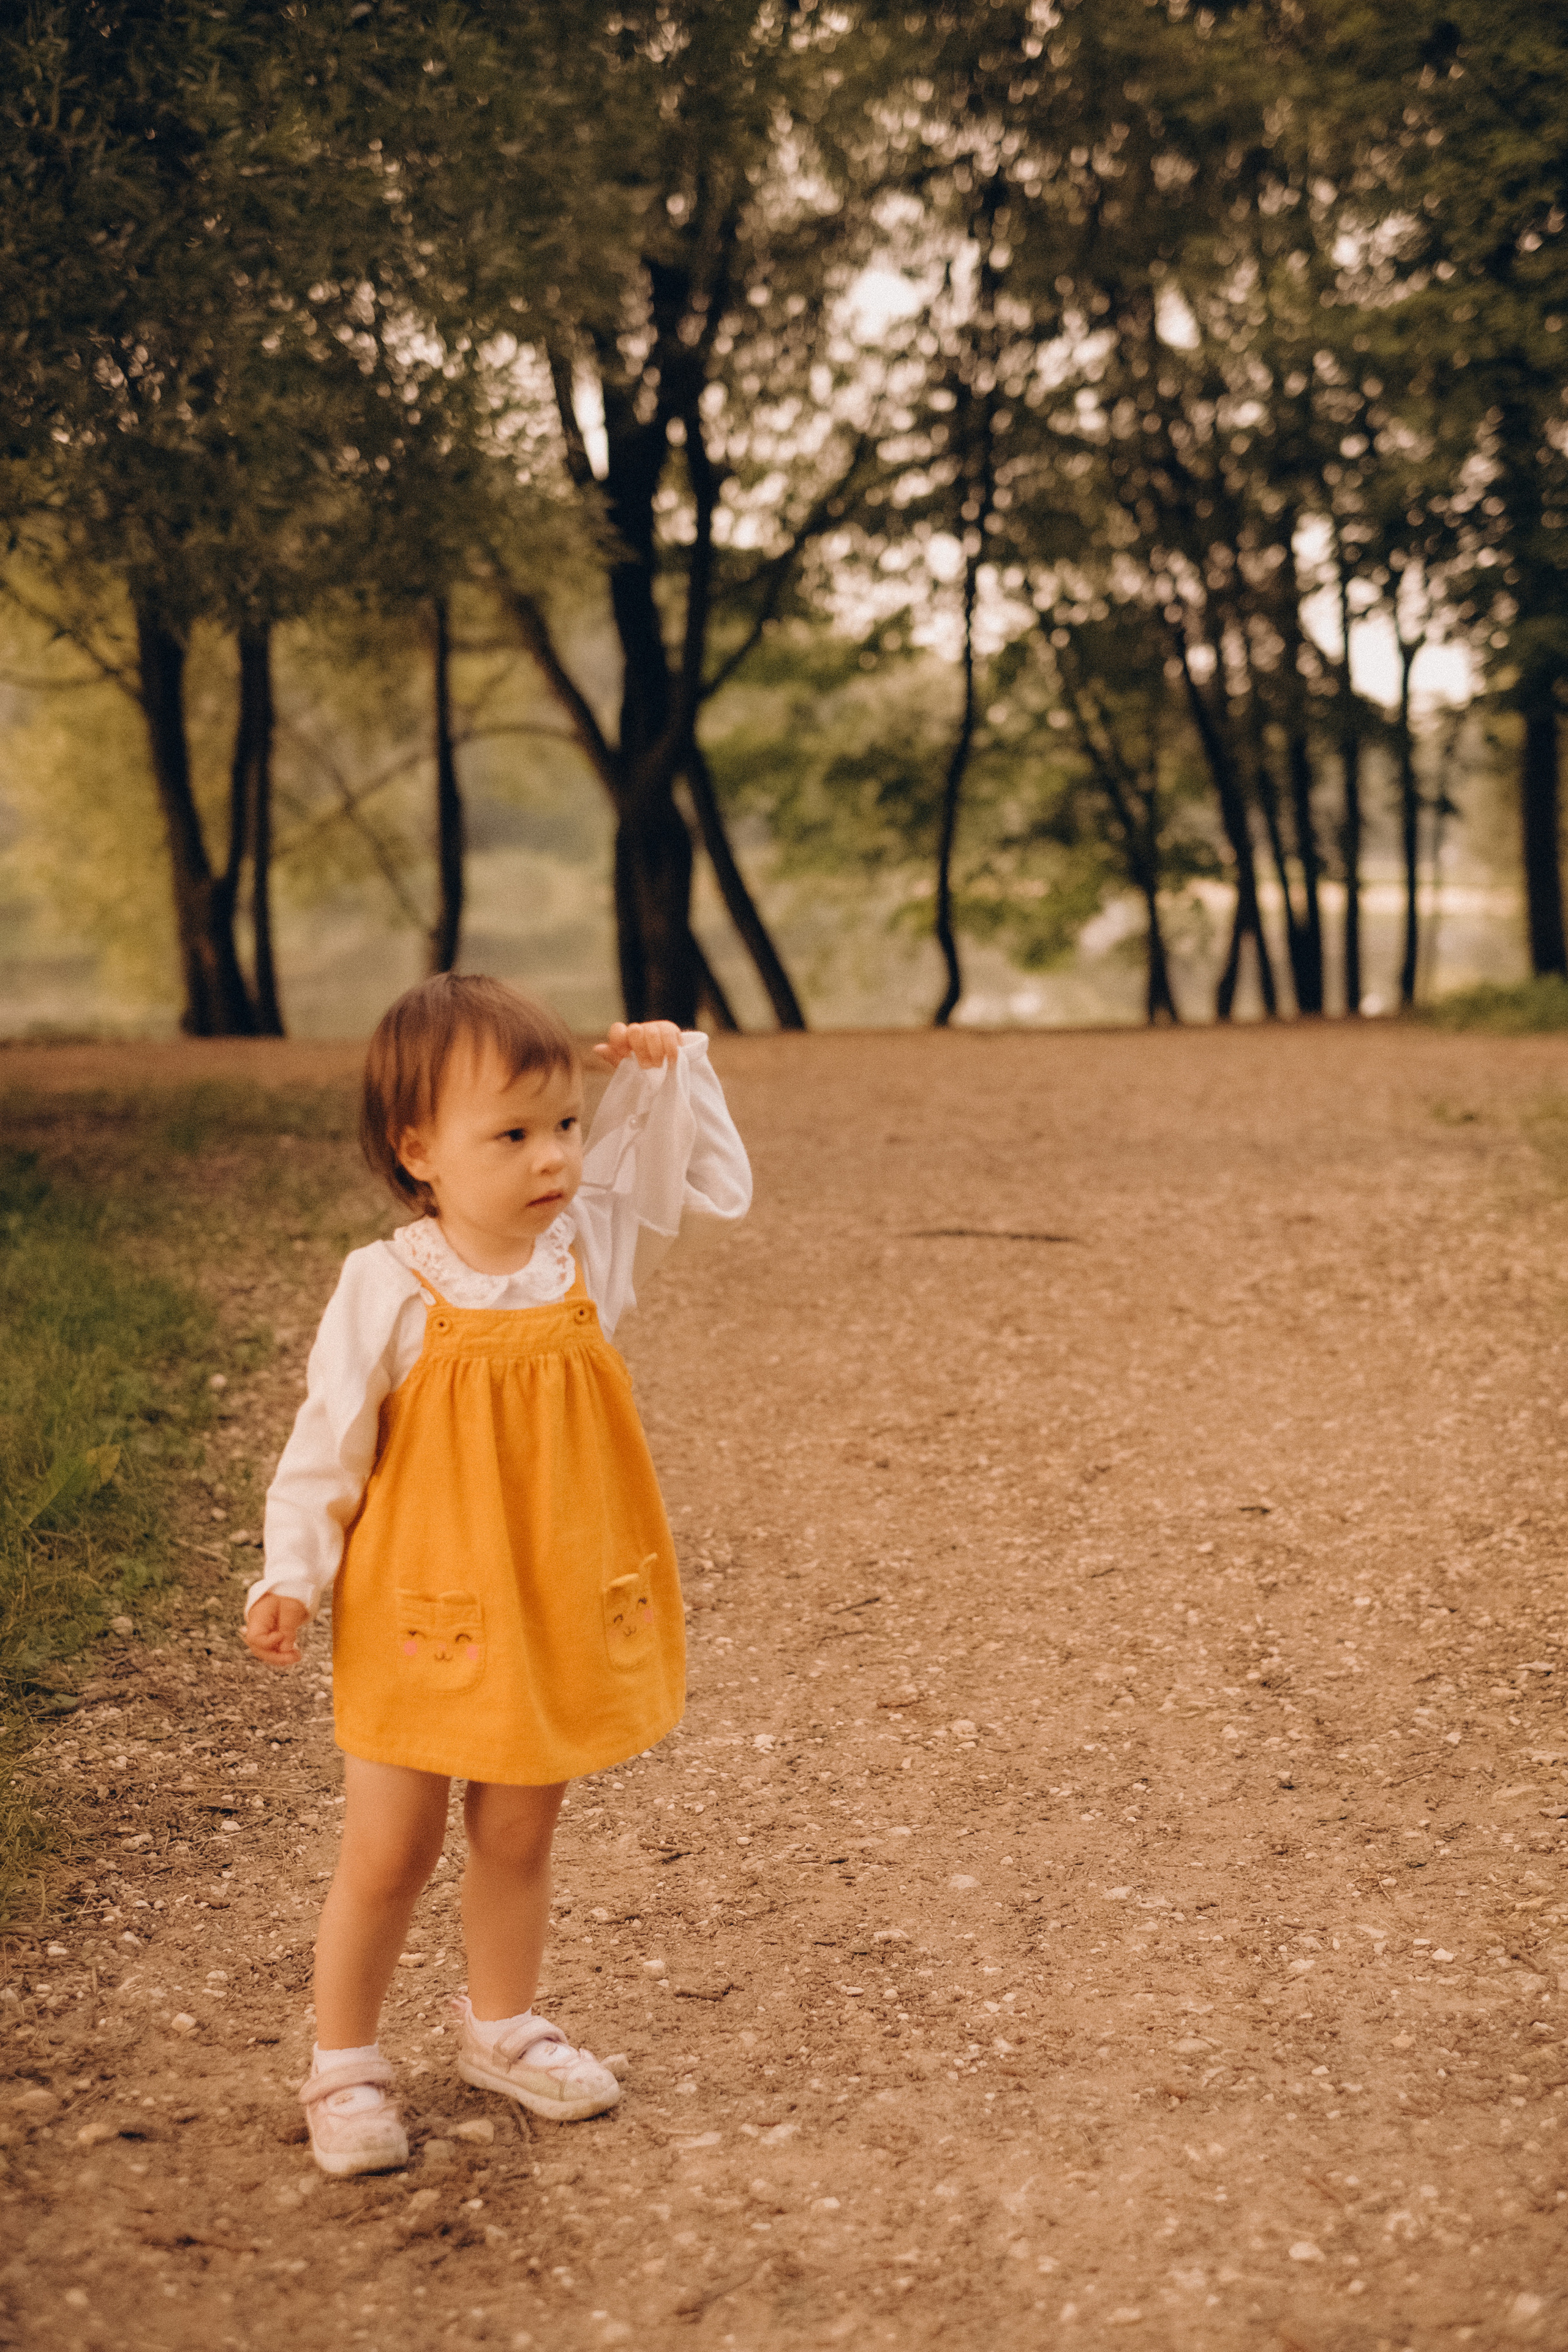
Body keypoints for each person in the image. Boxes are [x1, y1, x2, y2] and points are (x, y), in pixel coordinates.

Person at [241, 974, 751, 2176]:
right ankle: (346, 2063)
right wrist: (290, 1575)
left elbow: (662, 1156)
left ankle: (502, 2025)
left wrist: (665, 1061)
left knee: (520, 1826)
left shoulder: (584, 1257)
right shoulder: (390, 1285)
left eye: (563, 1126)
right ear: (418, 1151)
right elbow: (326, 1443)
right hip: (422, 1608)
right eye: (511, 1135)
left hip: (550, 1598)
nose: (552, 1158)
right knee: (392, 1846)